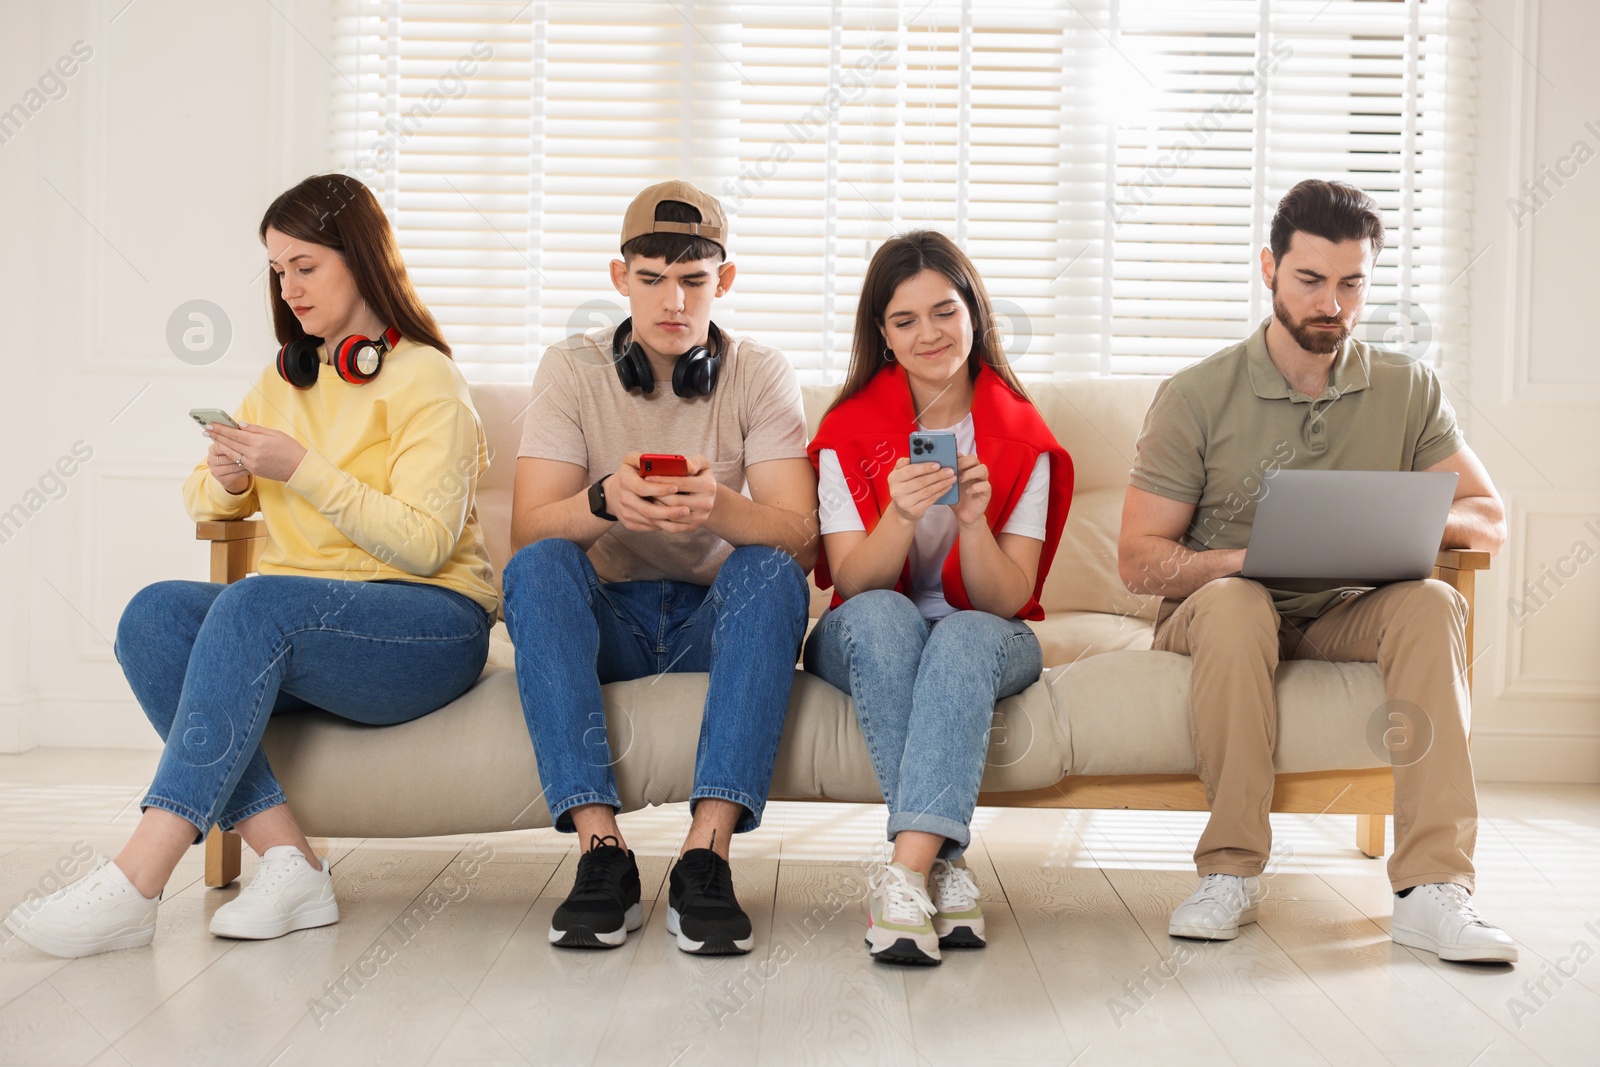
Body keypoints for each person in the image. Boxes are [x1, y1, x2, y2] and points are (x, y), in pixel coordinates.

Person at [2, 174, 498, 959]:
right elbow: (205, 489)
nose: (288, 287)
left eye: (306, 265)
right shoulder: (290, 375)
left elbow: (425, 543)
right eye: (277, 270)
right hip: (303, 628)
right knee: (154, 614)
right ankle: (292, 862)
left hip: (427, 628)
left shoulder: (426, 380)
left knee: (253, 604)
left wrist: (300, 466)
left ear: (362, 261)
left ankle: (138, 878)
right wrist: (230, 480)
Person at [1117, 179, 1516, 963]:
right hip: (1220, 613)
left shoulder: (1407, 387)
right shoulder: (1197, 394)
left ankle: (1435, 890)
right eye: (1310, 280)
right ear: (1269, 268)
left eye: (1352, 283)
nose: (1332, 302)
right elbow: (1138, 561)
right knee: (1238, 604)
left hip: (1342, 612)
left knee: (1432, 603)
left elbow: (1487, 518)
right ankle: (1229, 870)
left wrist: (1379, 520)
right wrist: (1252, 560)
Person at [503, 180, 816, 956]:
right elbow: (528, 529)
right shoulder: (571, 369)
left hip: (713, 621)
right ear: (620, 279)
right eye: (650, 279)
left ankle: (705, 855)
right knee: (540, 565)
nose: (672, 300)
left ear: (725, 281)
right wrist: (603, 501)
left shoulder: (761, 372)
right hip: (610, 616)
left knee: (772, 573)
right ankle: (600, 852)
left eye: (694, 280)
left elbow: (800, 535)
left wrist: (716, 506)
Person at [803, 231, 1073, 965]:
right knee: (888, 615)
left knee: (958, 633)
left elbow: (1007, 598)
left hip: (984, 633)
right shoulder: (846, 432)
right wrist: (897, 515)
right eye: (905, 320)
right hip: (866, 627)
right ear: (883, 337)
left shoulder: (1021, 437)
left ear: (975, 314)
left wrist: (973, 523)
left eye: (944, 312)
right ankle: (942, 866)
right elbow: (852, 584)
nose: (929, 334)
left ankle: (907, 874)